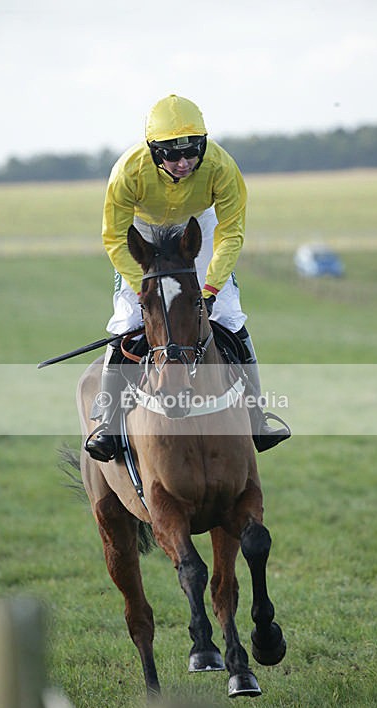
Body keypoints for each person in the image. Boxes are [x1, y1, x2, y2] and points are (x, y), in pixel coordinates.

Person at [85, 94, 290, 462]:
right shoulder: (127, 171)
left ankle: (257, 416)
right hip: (142, 229)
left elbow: (231, 234)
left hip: (199, 226)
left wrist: (210, 289)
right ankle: (107, 422)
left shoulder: (222, 167)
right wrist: (144, 290)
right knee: (128, 319)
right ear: (153, 152)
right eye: (171, 155)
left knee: (228, 315)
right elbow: (114, 237)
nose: (183, 163)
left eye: (192, 152)